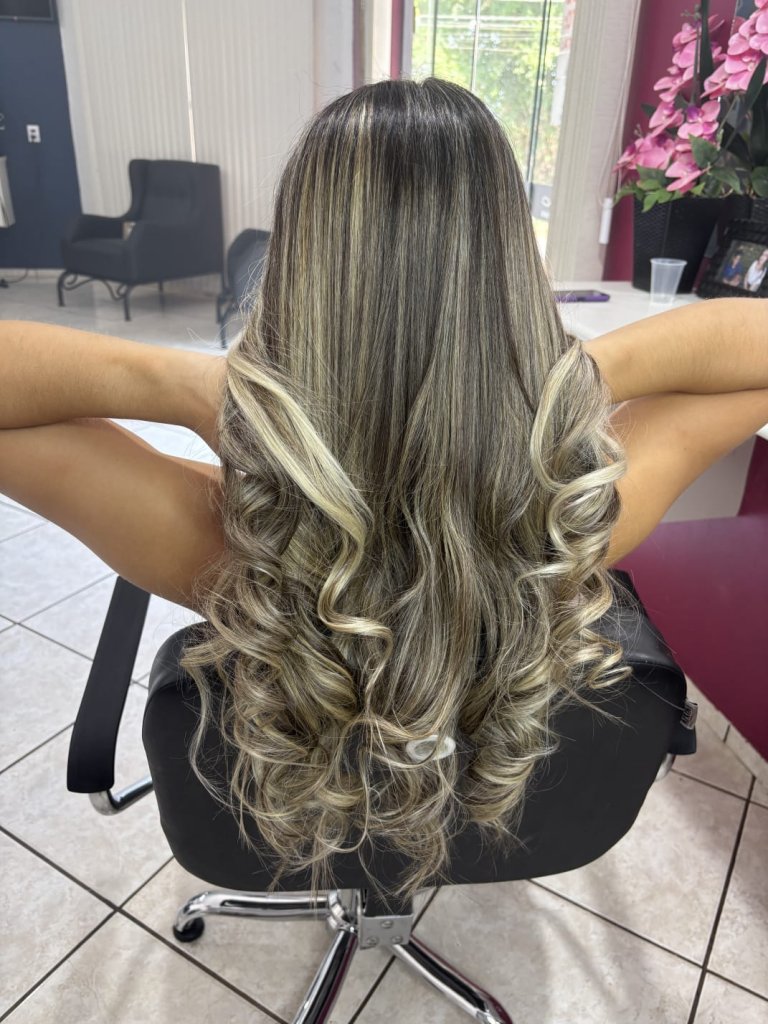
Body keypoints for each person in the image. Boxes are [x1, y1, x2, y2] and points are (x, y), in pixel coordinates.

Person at [2, 79, 767, 900]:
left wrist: (201, 389)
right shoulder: (574, 521)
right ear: (511, 265)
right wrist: (556, 384)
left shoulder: (218, 540)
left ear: (298, 261)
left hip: (303, 825)